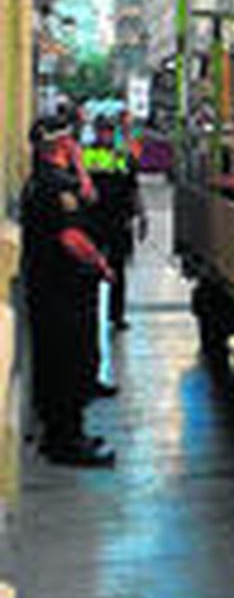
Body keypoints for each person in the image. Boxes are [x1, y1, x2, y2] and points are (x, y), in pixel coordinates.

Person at [23, 115, 118, 467]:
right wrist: (100, 265)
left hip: (56, 291)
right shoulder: (54, 186)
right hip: (61, 292)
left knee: (65, 365)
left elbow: (88, 194)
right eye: (71, 141)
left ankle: (65, 435)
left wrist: (78, 165)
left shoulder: (49, 180)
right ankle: (66, 441)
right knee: (67, 367)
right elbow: (71, 237)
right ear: (61, 144)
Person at [82, 114, 146, 332]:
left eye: (109, 131)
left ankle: (116, 315)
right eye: (102, 131)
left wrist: (142, 215)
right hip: (93, 221)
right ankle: (89, 311)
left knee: (118, 269)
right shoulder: (86, 155)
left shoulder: (121, 155)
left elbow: (133, 186)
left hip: (119, 220)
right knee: (90, 268)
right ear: (96, 131)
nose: (105, 135)